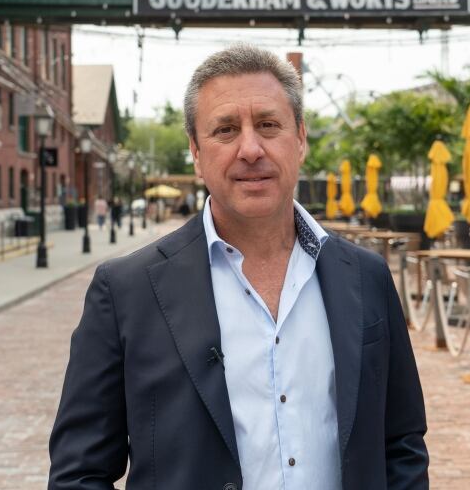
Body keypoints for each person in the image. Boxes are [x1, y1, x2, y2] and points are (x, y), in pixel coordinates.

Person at [49, 44, 428, 490]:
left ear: (300, 138)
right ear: (194, 149)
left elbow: (401, 444)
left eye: (268, 125)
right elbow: (80, 474)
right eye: (226, 130)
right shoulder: (125, 291)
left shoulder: (367, 277)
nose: (251, 149)